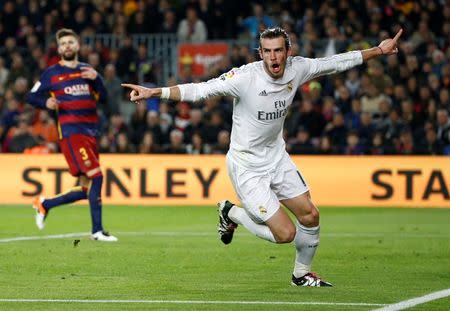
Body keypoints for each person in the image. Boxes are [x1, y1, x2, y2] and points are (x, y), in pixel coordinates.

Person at [122, 27, 402, 286]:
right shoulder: (244, 77)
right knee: (285, 234)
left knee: (310, 215)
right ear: (260, 53)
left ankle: (301, 275)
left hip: (276, 157)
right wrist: (155, 92)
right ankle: (230, 212)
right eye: (267, 51)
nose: (273, 57)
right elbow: (201, 90)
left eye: (278, 50)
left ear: (288, 50)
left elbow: (334, 63)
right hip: (247, 165)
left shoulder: (298, 68)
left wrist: (378, 50)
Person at [26, 28, 117, 242]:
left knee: (86, 188)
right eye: (63, 43)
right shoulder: (52, 73)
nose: (67, 46)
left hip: (90, 133)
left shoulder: (88, 71)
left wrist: (98, 79)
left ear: (77, 46)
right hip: (71, 133)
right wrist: (45, 102)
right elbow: (31, 96)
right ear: (59, 49)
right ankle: (97, 231)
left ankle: (44, 204)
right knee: (97, 176)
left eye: (70, 42)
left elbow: (104, 98)